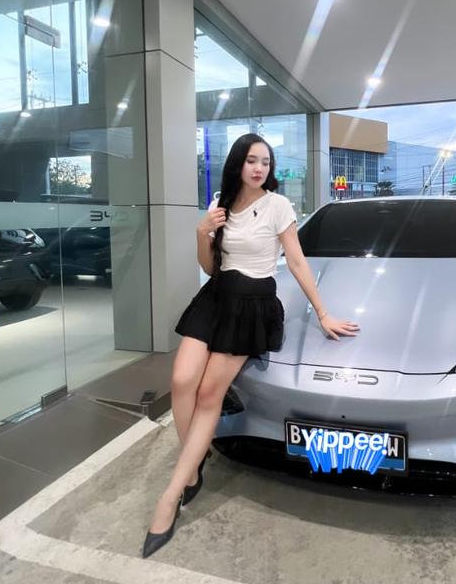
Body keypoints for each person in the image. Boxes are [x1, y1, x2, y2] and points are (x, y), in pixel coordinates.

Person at [142, 132, 360, 558]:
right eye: (252, 160)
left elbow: (296, 260)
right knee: (182, 380)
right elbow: (210, 266)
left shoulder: (278, 206)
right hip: (216, 297)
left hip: (252, 305)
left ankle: (170, 495)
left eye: (266, 162)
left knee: (209, 393)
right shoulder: (220, 204)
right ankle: (193, 469)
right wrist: (202, 233)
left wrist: (322, 312)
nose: (260, 168)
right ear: (238, 163)